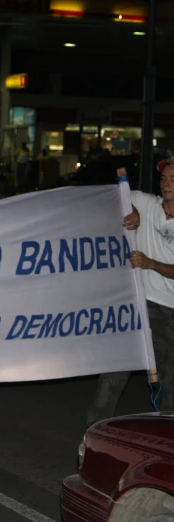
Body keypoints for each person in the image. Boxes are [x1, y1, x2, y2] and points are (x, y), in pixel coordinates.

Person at [85, 157, 174, 426]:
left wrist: (151, 263)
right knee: (115, 371)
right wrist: (132, 209)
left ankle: (166, 437)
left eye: (173, 180)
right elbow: (122, 194)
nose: (167, 184)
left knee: (170, 380)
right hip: (136, 302)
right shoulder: (150, 205)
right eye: (164, 179)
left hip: (168, 311)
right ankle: (93, 432)